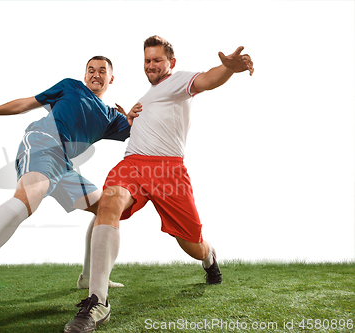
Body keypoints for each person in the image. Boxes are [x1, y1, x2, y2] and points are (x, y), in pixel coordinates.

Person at [64, 36, 254, 333]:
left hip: (169, 173)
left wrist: (228, 69)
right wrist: (128, 117)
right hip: (133, 166)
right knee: (109, 202)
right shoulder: (146, 98)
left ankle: (210, 256)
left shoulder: (178, 81)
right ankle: (97, 301)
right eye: (147, 60)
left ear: (171, 63)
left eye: (156, 60)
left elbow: (206, 80)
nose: (151, 65)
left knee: (192, 244)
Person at [0, 56, 131, 333]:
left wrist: (132, 116)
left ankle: (89, 277)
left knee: (108, 207)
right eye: (91, 70)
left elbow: (139, 130)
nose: (96, 74)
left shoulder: (111, 118)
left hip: (66, 168)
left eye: (102, 71)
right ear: (85, 76)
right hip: (43, 143)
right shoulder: (71, 87)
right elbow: (26, 103)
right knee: (28, 199)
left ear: (111, 78)